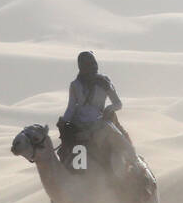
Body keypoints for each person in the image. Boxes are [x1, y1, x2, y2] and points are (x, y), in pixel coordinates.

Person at [58, 51, 144, 180]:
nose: (91, 67)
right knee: (65, 149)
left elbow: (118, 104)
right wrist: (64, 122)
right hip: (79, 124)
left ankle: (134, 162)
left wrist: (109, 109)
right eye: (88, 64)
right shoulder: (75, 85)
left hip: (99, 123)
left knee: (120, 139)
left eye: (92, 63)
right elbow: (71, 108)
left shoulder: (104, 82)